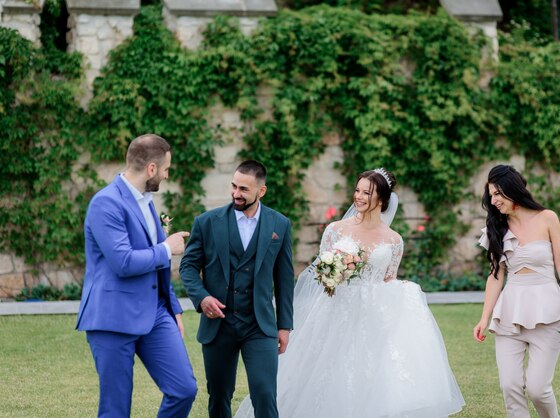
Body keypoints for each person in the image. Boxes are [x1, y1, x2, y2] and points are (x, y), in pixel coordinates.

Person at [236, 168, 465, 418]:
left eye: (367, 192)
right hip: (336, 312)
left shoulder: (394, 240)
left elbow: (389, 280)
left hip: (374, 319)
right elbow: (320, 272)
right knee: (325, 372)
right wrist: (334, 272)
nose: (359, 196)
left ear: (383, 199)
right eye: (357, 190)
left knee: (373, 376)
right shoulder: (336, 230)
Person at [76, 134, 198, 417]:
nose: (167, 175)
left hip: (155, 313)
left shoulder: (146, 200)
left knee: (183, 389)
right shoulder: (104, 203)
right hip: (112, 317)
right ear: (151, 169)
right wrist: (167, 249)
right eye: (166, 169)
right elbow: (123, 262)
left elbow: (155, 266)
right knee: (116, 408)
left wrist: (172, 308)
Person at [179, 160, 294, 418]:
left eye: (243, 189)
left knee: (265, 393)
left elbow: (285, 279)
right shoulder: (207, 222)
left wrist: (284, 325)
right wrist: (202, 297)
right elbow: (188, 266)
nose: (235, 193)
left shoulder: (280, 225)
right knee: (219, 395)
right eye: (233, 186)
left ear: (261, 191)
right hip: (219, 324)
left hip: (259, 324)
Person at [473, 164, 560, 418]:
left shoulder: (548, 218)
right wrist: (484, 317)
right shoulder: (496, 228)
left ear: (513, 190)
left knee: (538, 389)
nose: (494, 200)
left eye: (498, 194)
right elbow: (495, 275)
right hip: (509, 312)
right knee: (509, 386)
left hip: (547, 308)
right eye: (491, 195)